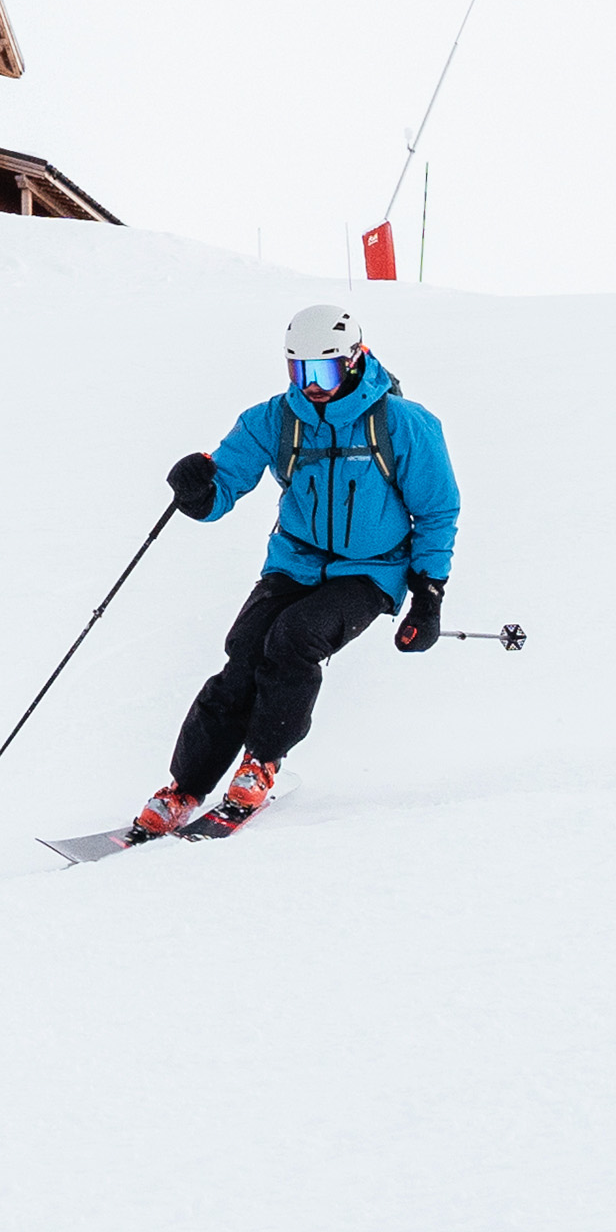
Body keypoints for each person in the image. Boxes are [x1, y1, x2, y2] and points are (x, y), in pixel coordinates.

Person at [132, 301, 461, 838]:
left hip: (370, 571)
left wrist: (428, 595)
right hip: (295, 561)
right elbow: (224, 487)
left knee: (293, 639)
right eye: (298, 370)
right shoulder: (274, 420)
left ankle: (261, 763)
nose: (310, 384)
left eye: (323, 370)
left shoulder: (403, 424)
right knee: (243, 651)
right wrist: (195, 490)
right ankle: (184, 787)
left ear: (355, 361)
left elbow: (437, 510)